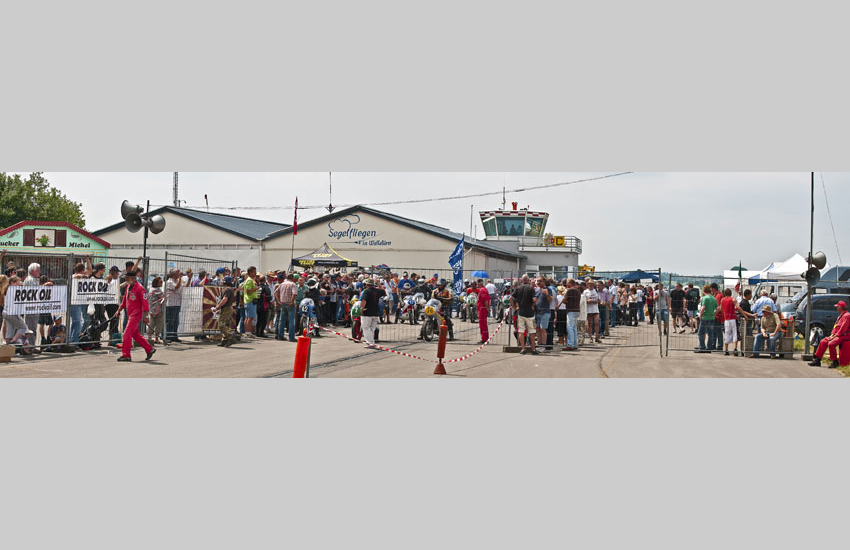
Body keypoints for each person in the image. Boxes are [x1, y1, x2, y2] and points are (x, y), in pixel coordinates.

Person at [115, 270, 155, 362]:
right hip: (130, 314)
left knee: (126, 334)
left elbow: (145, 303)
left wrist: (146, 316)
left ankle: (126, 355)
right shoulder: (129, 287)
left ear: (133, 278)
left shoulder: (140, 288)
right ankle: (150, 349)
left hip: (136, 315)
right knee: (135, 335)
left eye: (127, 278)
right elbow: (125, 301)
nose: (125, 280)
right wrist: (119, 310)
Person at [808, 301, 850, 368]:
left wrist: (834, 336)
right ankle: (817, 360)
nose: (836, 308)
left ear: (840, 308)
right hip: (837, 335)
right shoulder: (841, 315)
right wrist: (832, 334)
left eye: (837, 307)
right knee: (823, 341)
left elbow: (843, 329)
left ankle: (834, 361)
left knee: (831, 344)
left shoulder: (847, 316)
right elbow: (835, 326)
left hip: (844, 335)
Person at [720, 288, 754, 356]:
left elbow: (721, 309)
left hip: (726, 319)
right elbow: (738, 308)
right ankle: (735, 348)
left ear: (724, 294)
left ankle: (726, 349)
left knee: (727, 333)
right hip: (732, 318)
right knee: (735, 333)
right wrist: (745, 315)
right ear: (731, 293)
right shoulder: (733, 299)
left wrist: (724, 315)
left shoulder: (722, 300)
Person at [510, 275, 538, 355]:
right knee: (532, 332)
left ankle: (523, 348)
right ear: (528, 280)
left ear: (522, 280)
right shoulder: (531, 288)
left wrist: (515, 307)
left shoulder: (518, 288)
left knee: (521, 331)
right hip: (530, 314)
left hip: (521, 313)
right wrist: (533, 306)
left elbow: (510, 298)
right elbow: (534, 299)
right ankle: (533, 349)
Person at [359, 278, 385, 349]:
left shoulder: (366, 291)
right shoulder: (377, 291)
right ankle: (371, 342)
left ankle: (370, 343)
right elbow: (383, 291)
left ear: (367, 284)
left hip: (367, 312)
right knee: (372, 329)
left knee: (366, 328)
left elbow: (364, 300)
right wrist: (379, 284)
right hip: (375, 312)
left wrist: (361, 309)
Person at [212, 277, 236, 347]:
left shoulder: (227, 289)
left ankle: (231, 337)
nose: (221, 282)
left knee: (221, 325)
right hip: (226, 309)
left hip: (226, 309)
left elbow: (225, 299)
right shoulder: (230, 289)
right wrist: (220, 309)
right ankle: (225, 340)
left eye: (223, 281)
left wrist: (217, 307)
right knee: (226, 325)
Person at [276, 274, 298, 342]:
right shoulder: (292, 284)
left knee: (281, 320)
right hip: (290, 304)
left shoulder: (282, 284)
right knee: (291, 321)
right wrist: (292, 301)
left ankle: (280, 335)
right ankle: (291, 337)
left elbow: (275, 292)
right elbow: (294, 293)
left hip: (283, 303)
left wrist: (278, 301)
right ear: (292, 278)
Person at [164, 269, 184, 343]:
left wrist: (189, 278)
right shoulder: (169, 282)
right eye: (177, 273)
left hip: (177, 303)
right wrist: (180, 278)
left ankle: (174, 335)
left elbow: (183, 286)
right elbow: (176, 287)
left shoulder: (177, 281)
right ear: (173, 274)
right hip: (171, 304)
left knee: (176, 321)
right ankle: (168, 336)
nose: (178, 274)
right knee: (170, 321)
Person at [696, 285, 717, 352]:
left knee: (700, 333)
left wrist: (700, 316)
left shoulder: (705, 298)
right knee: (710, 333)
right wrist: (714, 314)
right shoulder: (714, 298)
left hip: (705, 318)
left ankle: (702, 347)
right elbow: (718, 308)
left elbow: (703, 308)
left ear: (704, 291)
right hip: (711, 318)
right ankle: (709, 347)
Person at [562, 278, 581, 351]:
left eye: (567, 283)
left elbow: (564, 300)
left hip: (571, 310)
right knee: (574, 328)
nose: (566, 284)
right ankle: (575, 344)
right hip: (577, 310)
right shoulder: (578, 291)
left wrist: (565, 301)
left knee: (569, 327)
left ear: (570, 283)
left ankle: (570, 344)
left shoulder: (569, 290)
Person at [241, 266, 259, 338]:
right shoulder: (249, 280)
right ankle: (248, 332)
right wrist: (256, 288)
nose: (255, 273)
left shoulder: (248, 280)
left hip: (248, 300)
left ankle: (247, 332)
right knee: (250, 317)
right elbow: (248, 291)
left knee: (248, 317)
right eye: (254, 272)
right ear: (250, 272)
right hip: (250, 300)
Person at [584, 278, 600, 343]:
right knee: (590, 324)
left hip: (595, 309)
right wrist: (587, 301)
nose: (591, 285)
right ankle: (591, 337)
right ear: (587, 285)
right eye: (589, 284)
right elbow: (583, 300)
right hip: (589, 309)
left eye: (592, 284)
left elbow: (598, 300)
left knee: (597, 323)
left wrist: (595, 301)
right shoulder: (585, 292)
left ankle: (597, 336)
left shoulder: (596, 291)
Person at [476, 279, 491, 344]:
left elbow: (485, 300)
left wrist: (487, 308)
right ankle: (484, 338)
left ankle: (484, 339)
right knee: (482, 324)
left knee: (483, 325)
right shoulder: (483, 289)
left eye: (477, 283)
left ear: (480, 283)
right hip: (481, 309)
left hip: (482, 309)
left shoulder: (482, 290)